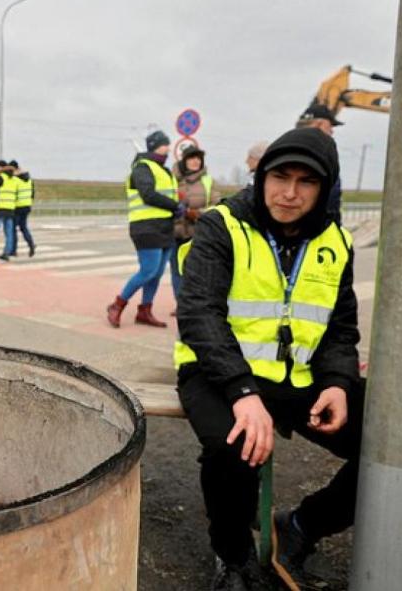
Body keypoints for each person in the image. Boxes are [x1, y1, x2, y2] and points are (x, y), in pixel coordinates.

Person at [175, 128, 363, 590]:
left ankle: (299, 527)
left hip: (298, 376)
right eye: (280, 176)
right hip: (216, 371)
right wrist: (242, 391)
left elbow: (340, 329)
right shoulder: (223, 225)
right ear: (261, 176)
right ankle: (233, 556)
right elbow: (199, 312)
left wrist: (338, 382)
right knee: (232, 447)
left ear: (324, 188)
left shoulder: (336, 242)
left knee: (389, 445)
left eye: (306, 182)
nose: (290, 193)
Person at [106, 130, 180, 328]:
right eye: (166, 145)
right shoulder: (142, 168)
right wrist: (176, 206)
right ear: (157, 146)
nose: (169, 148)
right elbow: (148, 194)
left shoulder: (163, 169)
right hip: (146, 227)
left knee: (156, 274)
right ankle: (117, 304)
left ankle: (145, 311)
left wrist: (178, 208)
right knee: (148, 271)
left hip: (165, 227)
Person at [170, 146, 219, 302]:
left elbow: (215, 205)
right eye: (192, 158)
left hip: (198, 233)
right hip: (174, 232)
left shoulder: (208, 180)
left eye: (199, 158)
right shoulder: (172, 179)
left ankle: (196, 304)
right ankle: (181, 305)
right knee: (177, 271)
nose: (196, 161)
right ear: (184, 161)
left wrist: (198, 214)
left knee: (198, 271)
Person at [297, 104, 343, 223]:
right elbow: (330, 202)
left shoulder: (284, 149)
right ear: (319, 124)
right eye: (330, 126)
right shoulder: (320, 155)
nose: (332, 131)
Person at [9, 165, 36, 257]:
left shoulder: (16, 181)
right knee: (24, 228)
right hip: (26, 207)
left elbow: (12, 194)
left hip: (17, 207)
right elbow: (32, 194)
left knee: (13, 229)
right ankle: (31, 244)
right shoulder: (29, 181)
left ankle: (13, 250)